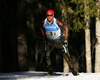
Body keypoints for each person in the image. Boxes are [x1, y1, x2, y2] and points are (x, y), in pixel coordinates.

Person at [40, 9, 79, 76]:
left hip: (58, 41)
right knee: (47, 56)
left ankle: (73, 71)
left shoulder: (57, 22)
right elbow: (41, 28)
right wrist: (44, 37)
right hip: (49, 41)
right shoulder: (44, 22)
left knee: (65, 55)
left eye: (50, 15)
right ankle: (50, 71)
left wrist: (65, 39)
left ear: (53, 15)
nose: (49, 17)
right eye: (48, 15)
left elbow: (66, 28)